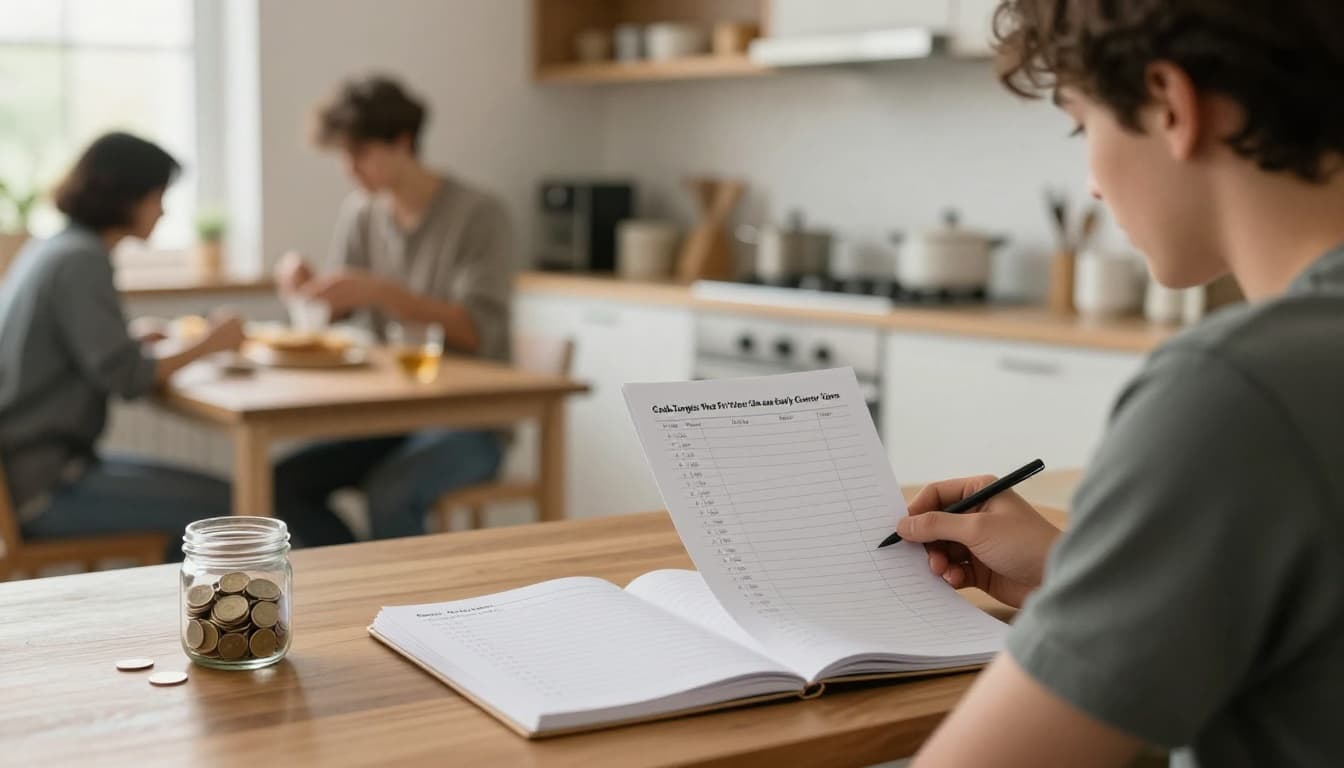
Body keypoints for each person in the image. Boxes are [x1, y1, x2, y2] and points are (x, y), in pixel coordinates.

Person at [900, 2, 1344, 766]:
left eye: (1082, 125)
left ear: (1171, 104)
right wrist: (1084, 574)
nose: (1094, 189)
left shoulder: (1237, 392)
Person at [272, 75, 513, 545]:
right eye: (343, 155)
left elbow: (477, 332)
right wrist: (305, 284)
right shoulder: (363, 212)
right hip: (389, 415)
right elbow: (338, 312)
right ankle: (359, 584)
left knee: (391, 492)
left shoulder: (480, 214)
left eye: (359, 153)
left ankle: (402, 611)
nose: (349, 169)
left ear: (402, 142)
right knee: (283, 482)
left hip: (472, 422)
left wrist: (384, 293)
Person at [0, 132, 245, 561]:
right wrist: (211, 343)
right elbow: (127, 377)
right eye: (158, 196)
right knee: (228, 506)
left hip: (32, 471)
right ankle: (210, 624)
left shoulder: (53, 248)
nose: (163, 209)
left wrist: (129, 339)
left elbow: (80, 353)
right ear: (126, 198)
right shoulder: (82, 259)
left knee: (218, 499)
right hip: (47, 485)